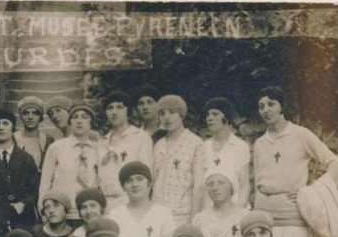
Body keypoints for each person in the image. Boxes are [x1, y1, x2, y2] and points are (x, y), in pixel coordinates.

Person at [252, 85, 338, 237]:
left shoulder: (301, 134)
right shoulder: (259, 143)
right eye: (261, 106)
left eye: (271, 104)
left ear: (282, 106)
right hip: (263, 218)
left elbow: (336, 164)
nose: (266, 110)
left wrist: (312, 193)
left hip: (292, 218)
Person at [0, 108, 40, 230]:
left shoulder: (26, 158)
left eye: (6, 123)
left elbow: (36, 189)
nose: (1, 128)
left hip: (23, 219)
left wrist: (23, 203)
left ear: (13, 128)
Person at [38, 102, 101, 222]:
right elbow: (45, 182)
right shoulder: (56, 148)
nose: (79, 121)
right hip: (64, 213)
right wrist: (43, 211)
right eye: (75, 117)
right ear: (69, 121)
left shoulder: (99, 148)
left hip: (92, 212)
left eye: (84, 117)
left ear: (91, 122)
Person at [97, 90, 154, 211]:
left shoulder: (140, 137)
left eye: (120, 107)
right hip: (105, 204)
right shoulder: (102, 142)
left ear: (128, 111)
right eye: (110, 108)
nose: (114, 112)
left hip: (131, 202)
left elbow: (147, 174)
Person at [152, 94, 204, 227]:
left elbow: (198, 186)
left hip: (182, 215)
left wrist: (194, 220)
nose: (167, 117)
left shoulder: (195, 143)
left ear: (181, 114)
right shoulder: (158, 145)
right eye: (162, 113)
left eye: (172, 112)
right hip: (157, 213)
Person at [191, 168, 246, 237]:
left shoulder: (244, 217)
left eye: (221, 183)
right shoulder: (199, 219)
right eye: (210, 184)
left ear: (232, 187)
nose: (215, 188)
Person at [197, 97, 251, 210]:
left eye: (215, 114)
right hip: (209, 212)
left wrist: (238, 212)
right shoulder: (202, 147)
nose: (210, 118)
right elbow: (199, 186)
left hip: (234, 210)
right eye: (208, 115)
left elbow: (244, 185)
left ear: (226, 118)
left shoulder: (240, 146)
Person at [14, 95, 54, 170]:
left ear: (40, 117)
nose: (30, 117)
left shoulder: (48, 140)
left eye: (35, 113)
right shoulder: (12, 139)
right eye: (26, 113)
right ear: (21, 117)